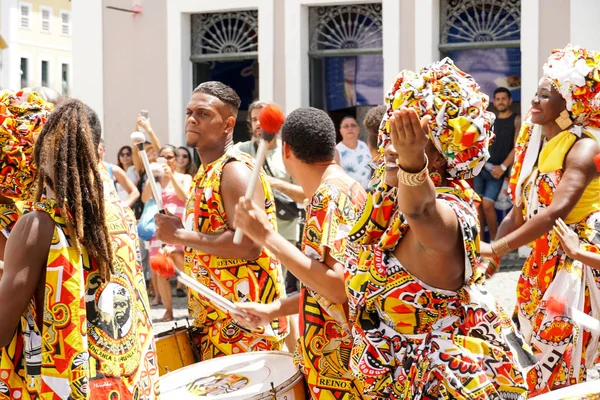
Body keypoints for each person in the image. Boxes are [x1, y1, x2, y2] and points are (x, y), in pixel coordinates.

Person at [344, 59, 535, 399]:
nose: (393, 146)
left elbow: (422, 211)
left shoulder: (453, 209)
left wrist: (411, 161)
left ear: (447, 153)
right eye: (393, 131)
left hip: (442, 381)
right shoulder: (385, 201)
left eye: (414, 138)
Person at [0, 99, 159, 398]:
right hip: (124, 386)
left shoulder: (38, 225)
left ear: (41, 153)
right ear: (97, 150)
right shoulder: (121, 216)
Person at [484, 44, 600, 395]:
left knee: (564, 350)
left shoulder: (586, 148)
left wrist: (496, 246)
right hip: (542, 261)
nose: (534, 100)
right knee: (533, 346)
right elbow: (520, 212)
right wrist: (493, 258)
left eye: (545, 94)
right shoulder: (534, 146)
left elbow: (555, 213)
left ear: (571, 102)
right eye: (536, 92)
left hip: (575, 263)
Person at [234, 107, 368, 400]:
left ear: (286, 151)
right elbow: (322, 285)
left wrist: (267, 236)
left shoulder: (330, 197)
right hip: (341, 366)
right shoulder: (344, 188)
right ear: (333, 148)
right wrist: (274, 310)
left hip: (344, 372)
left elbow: (338, 286)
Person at [154, 81, 288, 360]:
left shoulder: (234, 171)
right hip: (217, 324)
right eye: (190, 112)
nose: (192, 118)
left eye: (203, 114)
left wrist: (181, 236)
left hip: (245, 328)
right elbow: (216, 242)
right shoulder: (207, 172)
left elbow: (249, 245)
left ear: (228, 124)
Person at [235, 100, 304, 351]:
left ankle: (295, 355)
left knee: (281, 290)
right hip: (250, 234)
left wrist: (270, 183)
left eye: (261, 119)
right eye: (253, 119)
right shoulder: (241, 151)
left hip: (284, 230)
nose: (257, 124)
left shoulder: (287, 154)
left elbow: (304, 194)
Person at [142, 144, 192, 321]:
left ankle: (195, 305)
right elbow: (144, 198)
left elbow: (186, 197)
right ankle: (168, 310)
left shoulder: (184, 177)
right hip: (160, 230)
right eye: (163, 157)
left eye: (170, 157)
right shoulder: (154, 177)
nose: (167, 160)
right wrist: (152, 178)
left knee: (187, 268)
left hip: (179, 228)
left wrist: (172, 177)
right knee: (161, 270)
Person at [474, 87, 521, 240]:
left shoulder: (516, 119)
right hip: (481, 169)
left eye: (503, 99)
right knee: (478, 206)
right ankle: (480, 244)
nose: (500, 102)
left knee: (488, 205)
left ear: (509, 101)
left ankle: (495, 242)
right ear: (494, 101)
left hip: (497, 171)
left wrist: (502, 167)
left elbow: (517, 147)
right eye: (498, 99)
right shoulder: (488, 119)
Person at [98, 139, 139, 208]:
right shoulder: (83, 170)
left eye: (99, 148)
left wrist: (125, 205)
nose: (96, 151)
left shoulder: (112, 169)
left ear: (104, 151)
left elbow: (134, 192)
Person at [336, 116, 372, 190]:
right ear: (340, 131)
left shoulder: (364, 146)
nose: (350, 128)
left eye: (353, 125)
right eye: (346, 126)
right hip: (349, 195)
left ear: (358, 129)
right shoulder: (336, 151)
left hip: (369, 192)